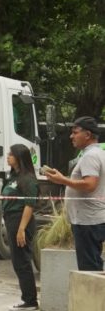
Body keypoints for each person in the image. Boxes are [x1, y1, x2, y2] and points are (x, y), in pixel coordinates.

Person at [43, 116, 105, 272]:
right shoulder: (97, 153)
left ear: (88, 135)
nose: (71, 136)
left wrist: (63, 180)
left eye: (75, 132)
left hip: (88, 221)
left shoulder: (90, 156)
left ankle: (92, 297)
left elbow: (90, 185)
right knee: (93, 265)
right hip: (91, 219)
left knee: (89, 269)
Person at [1, 143, 40, 310]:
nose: (8, 156)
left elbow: (29, 205)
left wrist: (22, 229)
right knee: (17, 261)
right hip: (10, 219)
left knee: (22, 260)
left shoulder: (28, 179)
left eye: (11, 154)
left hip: (20, 220)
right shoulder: (13, 177)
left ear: (19, 158)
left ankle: (30, 300)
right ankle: (27, 298)